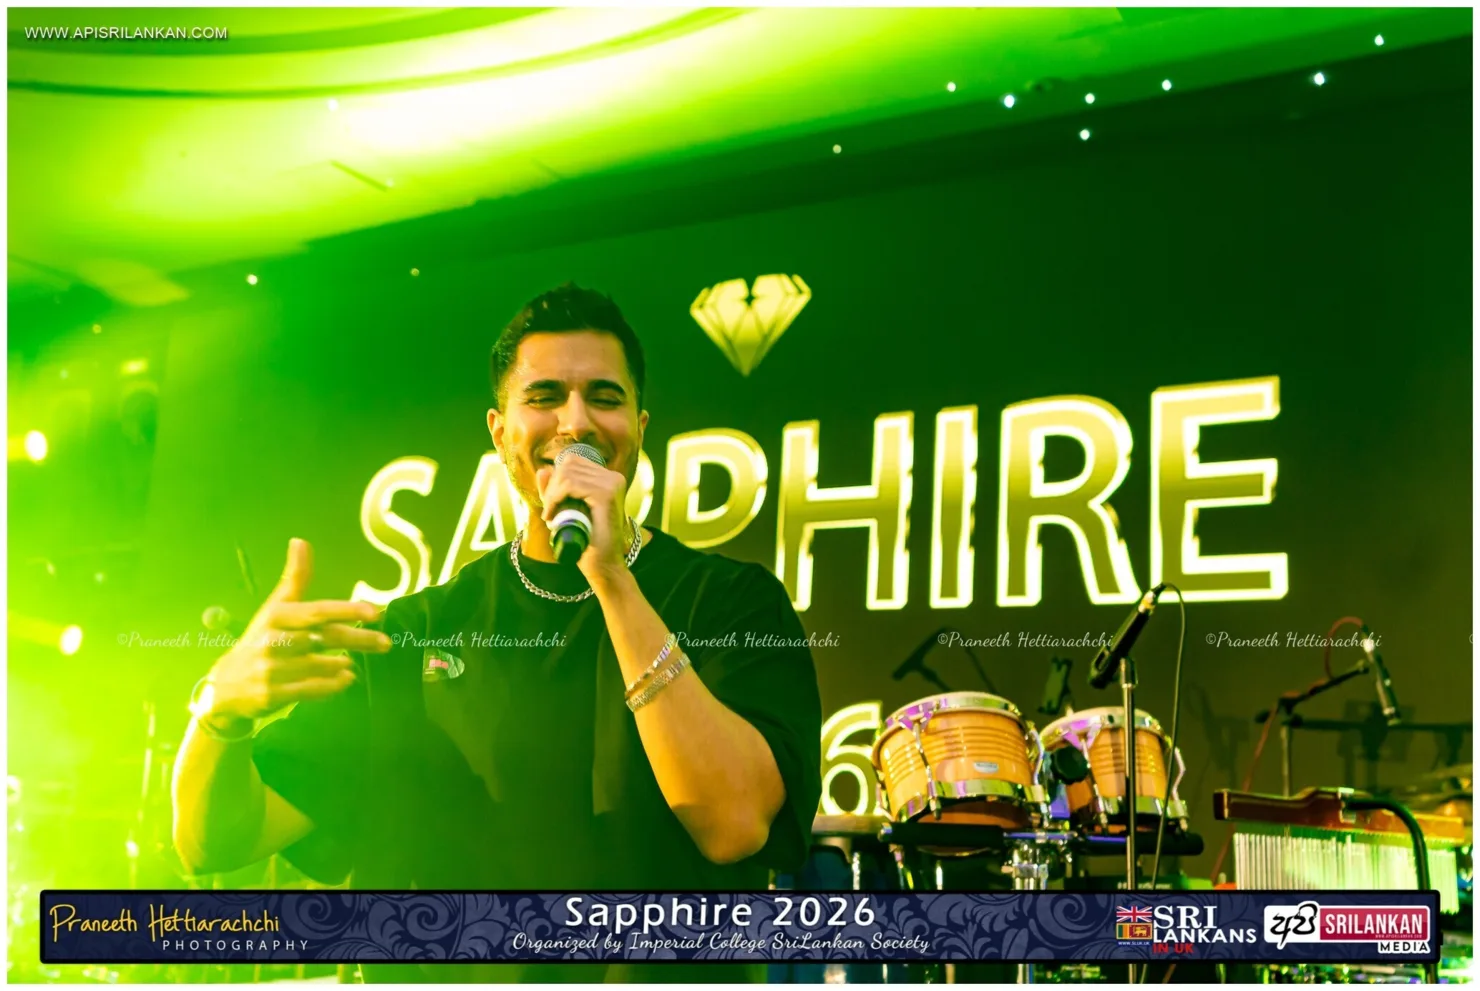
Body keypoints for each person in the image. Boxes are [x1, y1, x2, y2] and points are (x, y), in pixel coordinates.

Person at [171, 283, 824, 983]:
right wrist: (220, 715)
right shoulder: (415, 632)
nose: (576, 422)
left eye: (604, 397)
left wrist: (610, 576)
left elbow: (734, 823)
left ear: (639, 426)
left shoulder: (732, 603)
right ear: (500, 431)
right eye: (544, 397)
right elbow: (215, 842)